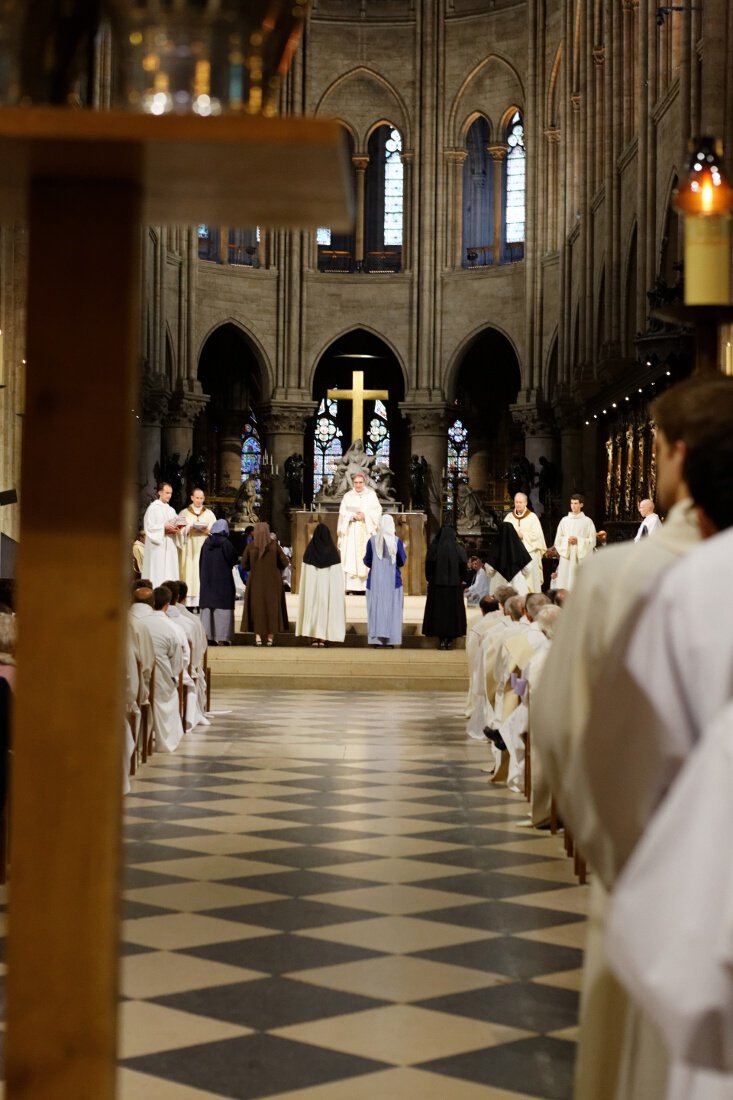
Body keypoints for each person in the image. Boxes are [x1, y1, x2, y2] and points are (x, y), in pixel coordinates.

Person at [531, 374, 733, 1100]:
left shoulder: (645, 580)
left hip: (657, 883)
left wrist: (619, 860)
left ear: (678, 457)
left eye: (652, 451)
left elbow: (566, 735)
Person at [135, 585, 185, 753]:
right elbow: (178, 661)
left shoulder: (137, 624)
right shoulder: (172, 628)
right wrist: (172, 677)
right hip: (159, 681)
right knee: (169, 693)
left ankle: (139, 741)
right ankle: (165, 741)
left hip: (136, 681)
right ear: (167, 604)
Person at [296, 522, 345, 647]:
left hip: (312, 591)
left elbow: (305, 577)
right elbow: (337, 578)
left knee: (312, 610)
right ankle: (322, 638)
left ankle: (313, 637)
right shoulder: (333, 554)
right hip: (327, 591)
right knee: (325, 611)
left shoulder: (309, 553)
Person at [240, 522, 289, 645]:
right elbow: (285, 562)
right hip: (273, 582)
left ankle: (257, 638)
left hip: (255, 581)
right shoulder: (274, 546)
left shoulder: (251, 546)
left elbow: (244, 565)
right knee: (272, 608)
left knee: (257, 607)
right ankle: (270, 638)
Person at [363, 514, 406, 647]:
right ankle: (390, 641)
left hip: (375, 583)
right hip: (393, 583)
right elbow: (401, 560)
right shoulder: (396, 541)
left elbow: (367, 561)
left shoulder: (372, 541)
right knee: (393, 611)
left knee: (375, 610)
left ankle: (377, 641)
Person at [422, 525, 467, 650]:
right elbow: (463, 567)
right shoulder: (458, 549)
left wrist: (431, 579)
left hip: (437, 588)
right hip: (454, 588)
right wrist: (459, 579)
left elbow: (428, 568)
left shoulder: (434, 548)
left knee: (439, 613)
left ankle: (442, 640)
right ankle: (449, 640)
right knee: (452, 614)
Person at [337, 471, 382, 592]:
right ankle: (351, 587)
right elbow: (342, 513)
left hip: (366, 530)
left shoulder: (371, 495)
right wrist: (352, 516)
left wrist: (365, 515)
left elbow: (377, 512)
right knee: (351, 557)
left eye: (360, 482)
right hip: (351, 531)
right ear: (353, 483)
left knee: (366, 556)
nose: (358, 485)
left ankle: (366, 586)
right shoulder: (348, 496)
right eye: (356, 482)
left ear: (365, 482)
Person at [199, 519, 238, 645]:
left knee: (208, 608)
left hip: (207, 580)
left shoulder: (206, 543)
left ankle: (208, 636)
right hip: (223, 581)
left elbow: (201, 561)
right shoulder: (226, 543)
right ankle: (223, 638)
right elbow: (233, 559)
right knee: (222, 607)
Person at [177, 487, 216, 607]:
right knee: (190, 571)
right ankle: (188, 601)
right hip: (189, 548)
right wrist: (188, 529)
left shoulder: (209, 514)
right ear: (192, 498)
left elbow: (215, 531)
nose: (199, 500)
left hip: (204, 546)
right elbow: (178, 530)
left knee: (202, 572)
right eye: (197, 498)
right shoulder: (184, 513)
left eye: (201, 498)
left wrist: (207, 531)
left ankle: (202, 601)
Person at [503, 491, 546, 592]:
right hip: (512, 555)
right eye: (516, 502)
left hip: (529, 554)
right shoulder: (509, 517)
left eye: (520, 502)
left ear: (526, 503)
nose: (518, 504)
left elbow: (537, 537)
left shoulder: (532, 518)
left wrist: (523, 535)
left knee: (529, 584)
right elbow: (503, 535)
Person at [553, 493, 597, 590]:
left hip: (580, 558)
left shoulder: (587, 521)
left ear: (581, 505)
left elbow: (592, 541)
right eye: (572, 503)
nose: (573, 506)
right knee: (565, 581)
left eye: (576, 503)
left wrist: (579, 541)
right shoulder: (564, 521)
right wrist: (567, 540)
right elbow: (558, 540)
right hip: (567, 558)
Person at [142, 482, 183, 587]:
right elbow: (149, 527)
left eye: (171, 493)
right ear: (160, 492)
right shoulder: (153, 508)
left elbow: (176, 525)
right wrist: (163, 527)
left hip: (169, 545)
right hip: (157, 548)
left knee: (169, 572)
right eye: (167, 492)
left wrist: (178, 530)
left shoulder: (171, 510)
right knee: (157, 572)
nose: (169, 495)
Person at [485, 521, 532, 596]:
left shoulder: (495, 548)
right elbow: (528, 568)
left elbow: (489, 570)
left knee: (499, 605)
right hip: (518, 584)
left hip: (499, 584)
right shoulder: (520, 548)